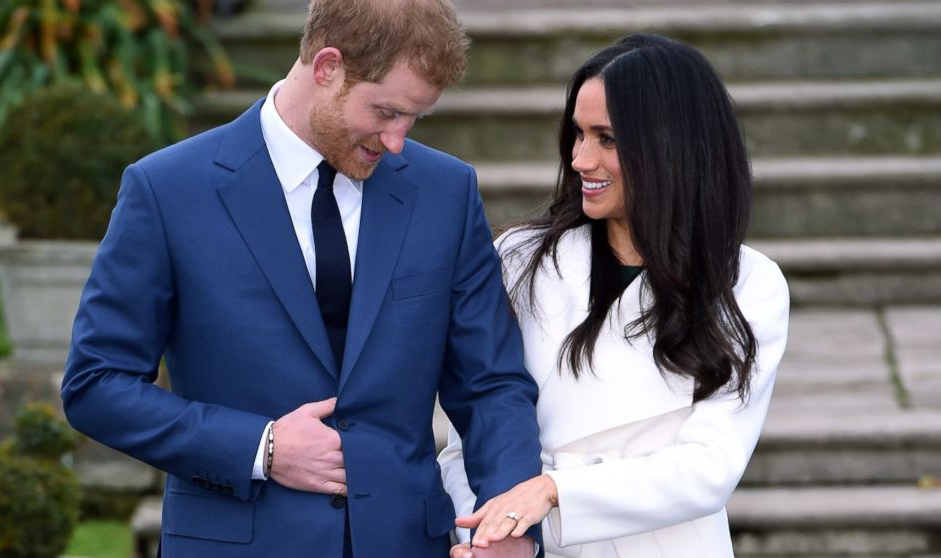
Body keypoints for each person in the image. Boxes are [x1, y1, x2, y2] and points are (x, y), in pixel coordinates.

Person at [61, 0, 543, 556]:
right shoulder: (166, 191)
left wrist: (510, 523)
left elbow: (491, 385)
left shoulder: (446, 192)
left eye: (414, 118)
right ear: (327, 67)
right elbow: (95, 384)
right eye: (385, 111)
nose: (396, 140)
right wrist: (260, 448)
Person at [439, 34, 790, 558]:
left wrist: (554, 493)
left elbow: (709, 468)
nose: (580, 159)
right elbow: (468, 437)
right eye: (578, 135)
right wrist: (495, 531)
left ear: (671, 147)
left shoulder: (747, 284)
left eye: (606, 138)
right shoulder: (520, 257)